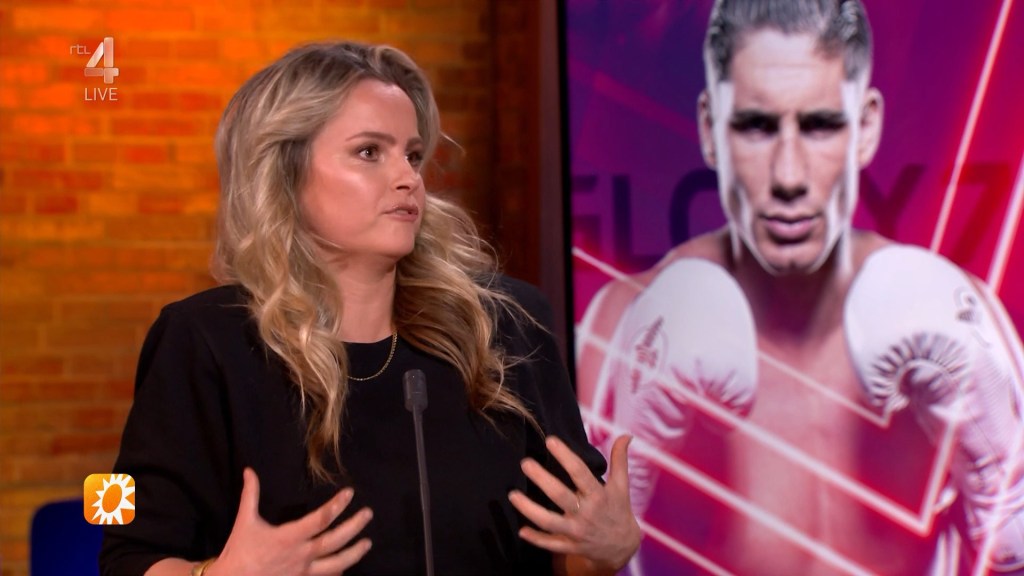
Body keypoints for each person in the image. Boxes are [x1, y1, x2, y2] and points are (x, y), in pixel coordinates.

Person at [99, 41, 641, 576]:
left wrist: (607, 550)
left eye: (412, 155)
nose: (408, 178)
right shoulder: (200, 339)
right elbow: (123, 555)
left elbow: (566, 551)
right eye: (369, 153)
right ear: (285, 173)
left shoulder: (507, 323)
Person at [575, 0, 1024, 574]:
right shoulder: (629, 323)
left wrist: (1008, 516)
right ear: (711, 129)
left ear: (865, 128)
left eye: (819, 125)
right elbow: (571, 566)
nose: (788, 176)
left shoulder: (958, 314)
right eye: (756, 126)